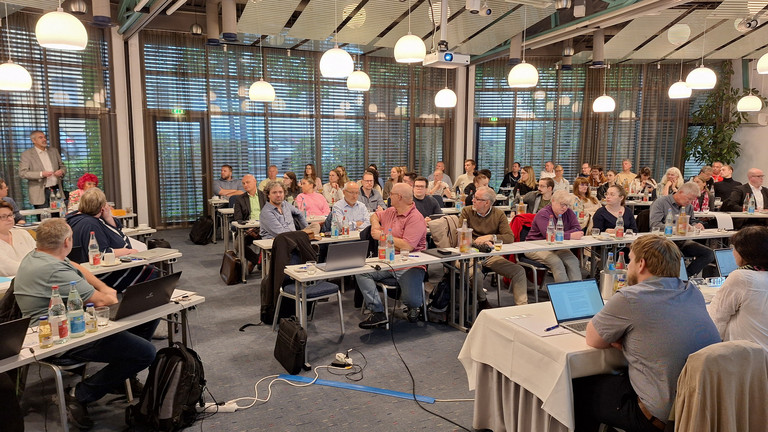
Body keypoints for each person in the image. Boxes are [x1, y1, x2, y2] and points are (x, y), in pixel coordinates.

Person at [14, 218, 156, 430]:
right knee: (146, 353)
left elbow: (76, 266)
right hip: (58, 339)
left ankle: (120, 375)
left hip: (69, 322)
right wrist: (108, 293)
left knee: (146, 317)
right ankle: (80, 394)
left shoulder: (37, 256)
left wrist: (104, 287)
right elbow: (103, 301)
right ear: (67, 242)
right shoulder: (54, 270)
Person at [574, 235, 720, 432]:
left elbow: (593, 339)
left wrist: (624, 340)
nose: (628, 266)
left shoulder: (630, 297)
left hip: (657, 416)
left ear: (641, 264)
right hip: (698, 408)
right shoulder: (691, 291)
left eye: (631, 260)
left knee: (578, 388)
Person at [356, 183, 427, 328]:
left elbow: (408, 245)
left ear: (399, 197)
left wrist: (383, 235)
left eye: (392, 194)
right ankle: (377, 311)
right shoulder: (391, 211)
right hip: (388, 260)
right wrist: (375, 225)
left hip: (410, 264)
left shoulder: (415, 218)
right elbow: (375, 215)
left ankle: (414, 307)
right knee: (361, 272)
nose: (389, 196)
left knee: (412, 300)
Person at [460, 186, 528, 307]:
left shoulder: (498, 214)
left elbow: (509, 237)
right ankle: (482, 300)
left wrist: (491, 237)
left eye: (476, 198)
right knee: (474, 274)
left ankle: (522, 307)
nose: (472, 200)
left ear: (487, 202)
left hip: (489, 254)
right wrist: (478, 242)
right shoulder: (467, 211)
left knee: (519, 271)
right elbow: (460, 236)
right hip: (469, 253)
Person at [707, 226, 768, 351]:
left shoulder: (742, 277)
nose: (733, 252)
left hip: (743, 356)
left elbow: (716, 320)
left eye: (734, 248)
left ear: (745, 252)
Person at [649, 182, 714, 277]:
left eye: (692, 200)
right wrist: (675, 229)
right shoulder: (660, 202)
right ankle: (680, 277)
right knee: (678, 256)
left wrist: (696, 225)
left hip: (682, 241)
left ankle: (686, 276)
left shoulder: (689, 207)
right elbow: (655, 224)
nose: (690, 202)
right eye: (689, 199)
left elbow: (692, 221)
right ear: (680, 192)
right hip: (664, 241)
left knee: (709, 254)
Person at [524, 190, 583, 282]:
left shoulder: (569, 212)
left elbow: (578, 230)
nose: (564, 208)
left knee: (573, 261)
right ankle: (563, 294)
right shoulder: (543, 213)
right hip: (535, 247)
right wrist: (570, 235)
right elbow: (549, 234)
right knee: (556, 262)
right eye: (562, 204)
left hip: (557, 246)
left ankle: (576, 292)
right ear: (553, 201)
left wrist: (562, 234)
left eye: (567, 205)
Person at [66, 188, 138, 261]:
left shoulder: (76, 217)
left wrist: (108, 217)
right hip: (105, 267)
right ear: (102, 207)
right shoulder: (90, 224)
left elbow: (118, 227)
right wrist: (128, 251)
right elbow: (101, 253)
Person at [19, 130, 66, 208]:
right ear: (33, 140)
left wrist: (61, 171)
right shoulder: (27, 154)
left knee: (58, 218)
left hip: (56, 190)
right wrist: (41, 174)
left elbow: (62, 166)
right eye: (40, 138)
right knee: (44, 218)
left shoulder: (54, 151)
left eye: (44, 137)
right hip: (40, 193)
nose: (44, 139)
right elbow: (23, 173)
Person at [233, 175, 266, 270]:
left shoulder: (264, 196)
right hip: (247, 229)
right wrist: (248, 229)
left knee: (272, 239)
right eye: (243, 183)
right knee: (238, 244)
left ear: (255, 181)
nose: (245, 185)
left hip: (263, 227)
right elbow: (238, 218)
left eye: (247, 182)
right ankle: (257, 261)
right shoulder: (240, 199)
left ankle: (259, 262)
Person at [0, 201, 35, 276]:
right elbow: (9, 268)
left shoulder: (23, 234)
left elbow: (39, 256)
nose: (9, 219)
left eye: (10, 215)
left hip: (34, 278)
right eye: (4, 216)